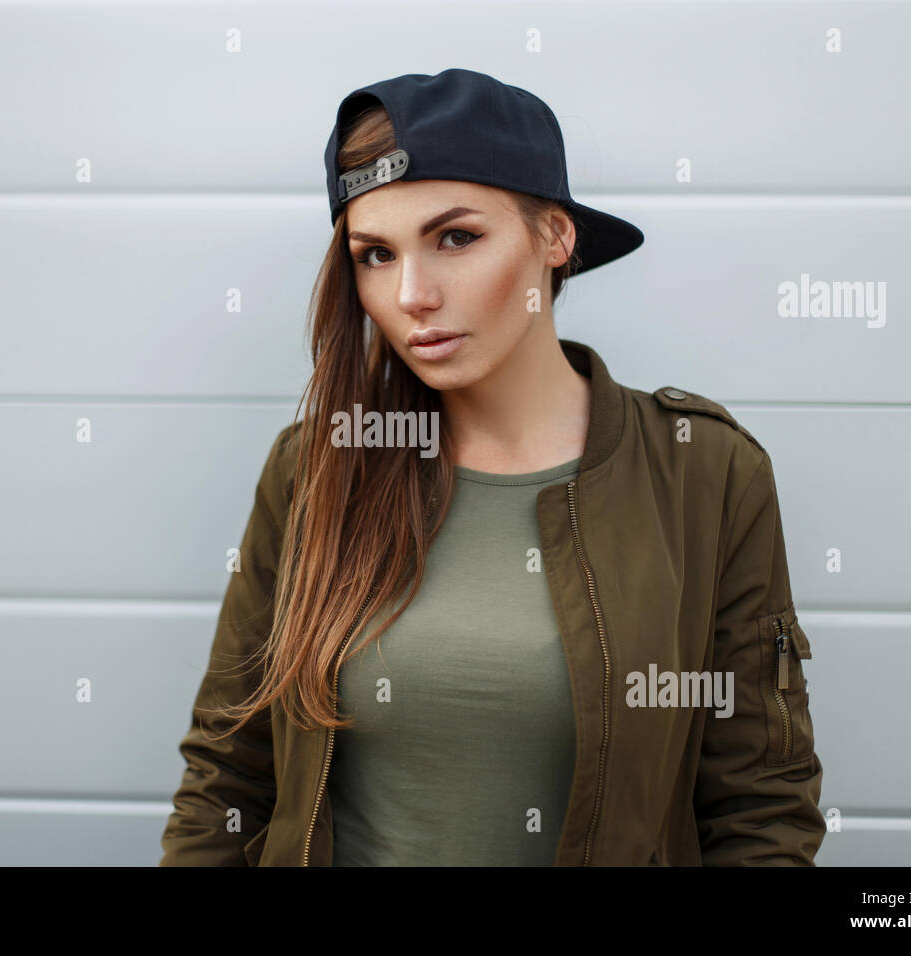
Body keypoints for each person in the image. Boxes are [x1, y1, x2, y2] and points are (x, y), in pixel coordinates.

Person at [160, 67, 824, 866]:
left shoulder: (705, 474)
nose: (411, 294)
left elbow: (761, 809)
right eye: (375, 254)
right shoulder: (319, 467)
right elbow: (227, 777)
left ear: (555, 236)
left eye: (456, 238)